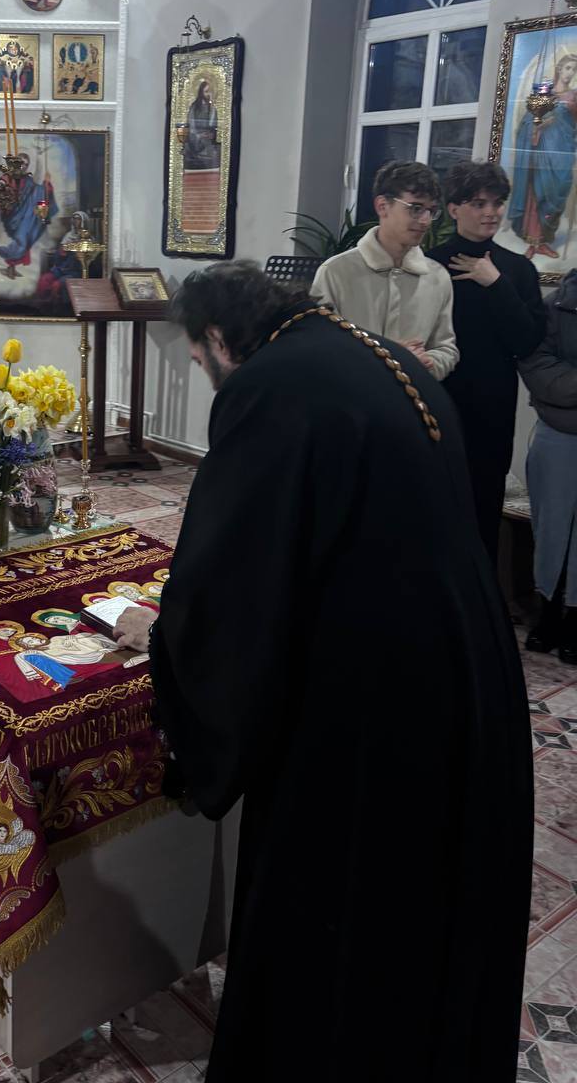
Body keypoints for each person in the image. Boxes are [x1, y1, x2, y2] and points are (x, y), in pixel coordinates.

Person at [112, 260, 532, 1082]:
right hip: (468, 666)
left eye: (197, 356)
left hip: (373, 701)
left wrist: (166, 638)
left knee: (347, 909)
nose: (202, 370)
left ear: (220, 338)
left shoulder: (270, 388)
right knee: (433, 907)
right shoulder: (379, 354)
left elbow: (236, 577)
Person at [427, 160, 545, 561]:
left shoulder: (518, 269)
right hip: (437, 398)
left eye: (497, 203)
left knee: (483, 505)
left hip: (493, 403)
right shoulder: (429, 264)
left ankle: (480, 594)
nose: (491, 212)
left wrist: (495, 283)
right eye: (478, 203)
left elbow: (526, 341)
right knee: (433, 501)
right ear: (454, 209)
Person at [312, 160, 458, 380]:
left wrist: (428, 363)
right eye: (416, 208)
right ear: (382, 206)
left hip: (412, 394)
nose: (425, 221)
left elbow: (446, 348)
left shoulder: (437, 277)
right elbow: (319, 347)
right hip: (351, 395)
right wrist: (388, 358)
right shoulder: (336, 272)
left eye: (431, 211)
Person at [518, 271, 577, 661]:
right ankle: (549, 611)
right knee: (551, 526)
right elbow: (535, 360)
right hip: (558, 427)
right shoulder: (556, 303)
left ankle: (575, 619)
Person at [507, 54, 577, 259]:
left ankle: (544, 241)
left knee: (557, 191)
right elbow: (529, 121)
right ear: (559, 69)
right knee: (536, 194)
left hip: (562, 151)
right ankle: (533, 242)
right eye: (568, 68)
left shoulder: (574, 95)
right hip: (541, 152)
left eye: (574, 69)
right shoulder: (544, 94)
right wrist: (537, 126)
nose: (570, 73)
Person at [0, 151, 57, 279]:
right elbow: (0, 189)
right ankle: (5, 259)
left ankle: (11, 267)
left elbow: (37, 192)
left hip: (25, 218)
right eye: (21, 162)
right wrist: (3, 185)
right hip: (12, 216)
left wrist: (46, 186)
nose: (23, 166)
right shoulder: (8, 177)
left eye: (26, 164)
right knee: (19, 243)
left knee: (22, 243)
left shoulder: (28, 179)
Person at [183, 79, 219, 170]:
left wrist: (212, 105)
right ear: (201, 92)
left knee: (214, 154)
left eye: (209, 92)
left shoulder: (211, 107)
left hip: (207, 136)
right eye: (206, 92)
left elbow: (212, 124)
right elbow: (191, 124)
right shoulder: (194, 107)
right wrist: (199, 135)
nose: (208, 94)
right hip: (195, 136)